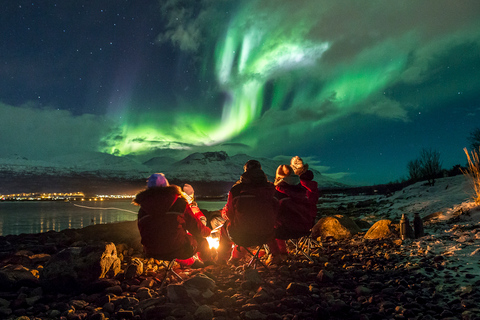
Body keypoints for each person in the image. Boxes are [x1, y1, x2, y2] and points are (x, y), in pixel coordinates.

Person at [133, 173, 213, 268]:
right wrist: (208, 231)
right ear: (166, 185)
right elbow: (197, 228)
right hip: (177, 250)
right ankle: (207, 265)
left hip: (151, 251)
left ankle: (191, 263)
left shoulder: (142, 209)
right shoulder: (179, 203)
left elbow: (143, 231)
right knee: (201, 240)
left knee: (176, 239)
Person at [217, 160, 278, 265]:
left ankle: (222, 260)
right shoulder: (270, 188)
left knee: (225, 228)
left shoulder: (237, 190)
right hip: (267, 234)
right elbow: (276, 210)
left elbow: (229, 214)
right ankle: (276, 255)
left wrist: (224, 214)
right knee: (266, 223)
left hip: (243, 235)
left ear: (245, 171)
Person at [267, 157, 319, 265]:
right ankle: (282, 253)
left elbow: (273, 215)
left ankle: (278, 254)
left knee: (271, 225)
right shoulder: (303, 192)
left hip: (286, 230)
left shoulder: (277, 195)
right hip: (305, 228)